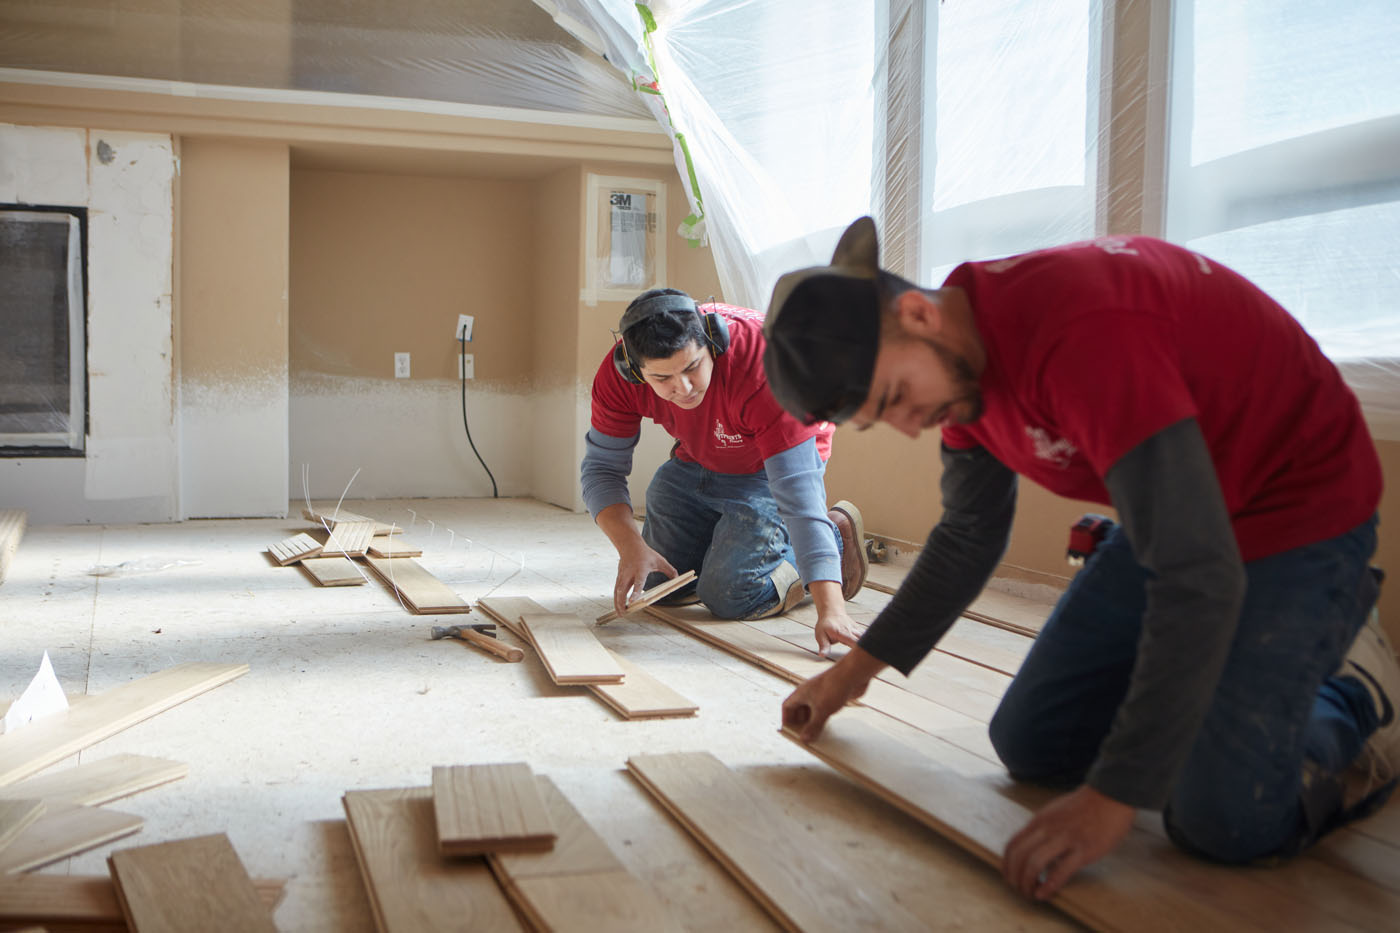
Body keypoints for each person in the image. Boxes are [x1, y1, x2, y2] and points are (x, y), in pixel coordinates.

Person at [763, 216, 1400, 898]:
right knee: (1033, 743)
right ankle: (1228, 694)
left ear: (918, 314)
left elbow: (1196, 575)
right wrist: (853, 672)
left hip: (1298, 515)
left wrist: (1114, 794)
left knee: (1224, 819)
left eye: (896, 398)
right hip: (1174, 515)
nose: (911, 425)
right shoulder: (960, 366)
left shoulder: (1083, 333)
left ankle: (1353, 687)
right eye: (883, 417)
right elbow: (970, 533)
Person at [581, 287, 868, 653]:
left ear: (713, 341)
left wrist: (832, 610)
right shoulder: (617, 377)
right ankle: (730, 549)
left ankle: (835, 539)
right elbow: (601, 470)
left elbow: (799, 498)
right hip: (699, 456)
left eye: (692, 367)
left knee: (732, 594)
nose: (683, 388)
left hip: (771, 467)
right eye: (662, 379)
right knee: (657, 583)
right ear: (633, 370)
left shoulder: (767, 367)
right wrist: (630, 547)